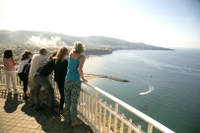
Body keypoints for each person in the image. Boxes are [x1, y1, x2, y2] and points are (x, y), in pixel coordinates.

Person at [64, 41, 88, 127]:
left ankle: (67, 118)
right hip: (75, 81)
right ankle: (73, 121)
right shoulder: (82, 57)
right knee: (74, 101)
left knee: (67, 100)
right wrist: (83, 78)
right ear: (82, 48)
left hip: (67, 79)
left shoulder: (70, 54)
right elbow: (80, 69)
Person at [53, 46, 68, 113]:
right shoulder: (65, 62)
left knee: (62, 94)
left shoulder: (55, 61)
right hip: (63, 80)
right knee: (64, 95)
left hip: (58, 79)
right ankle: (61, 108)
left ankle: (61, 107)